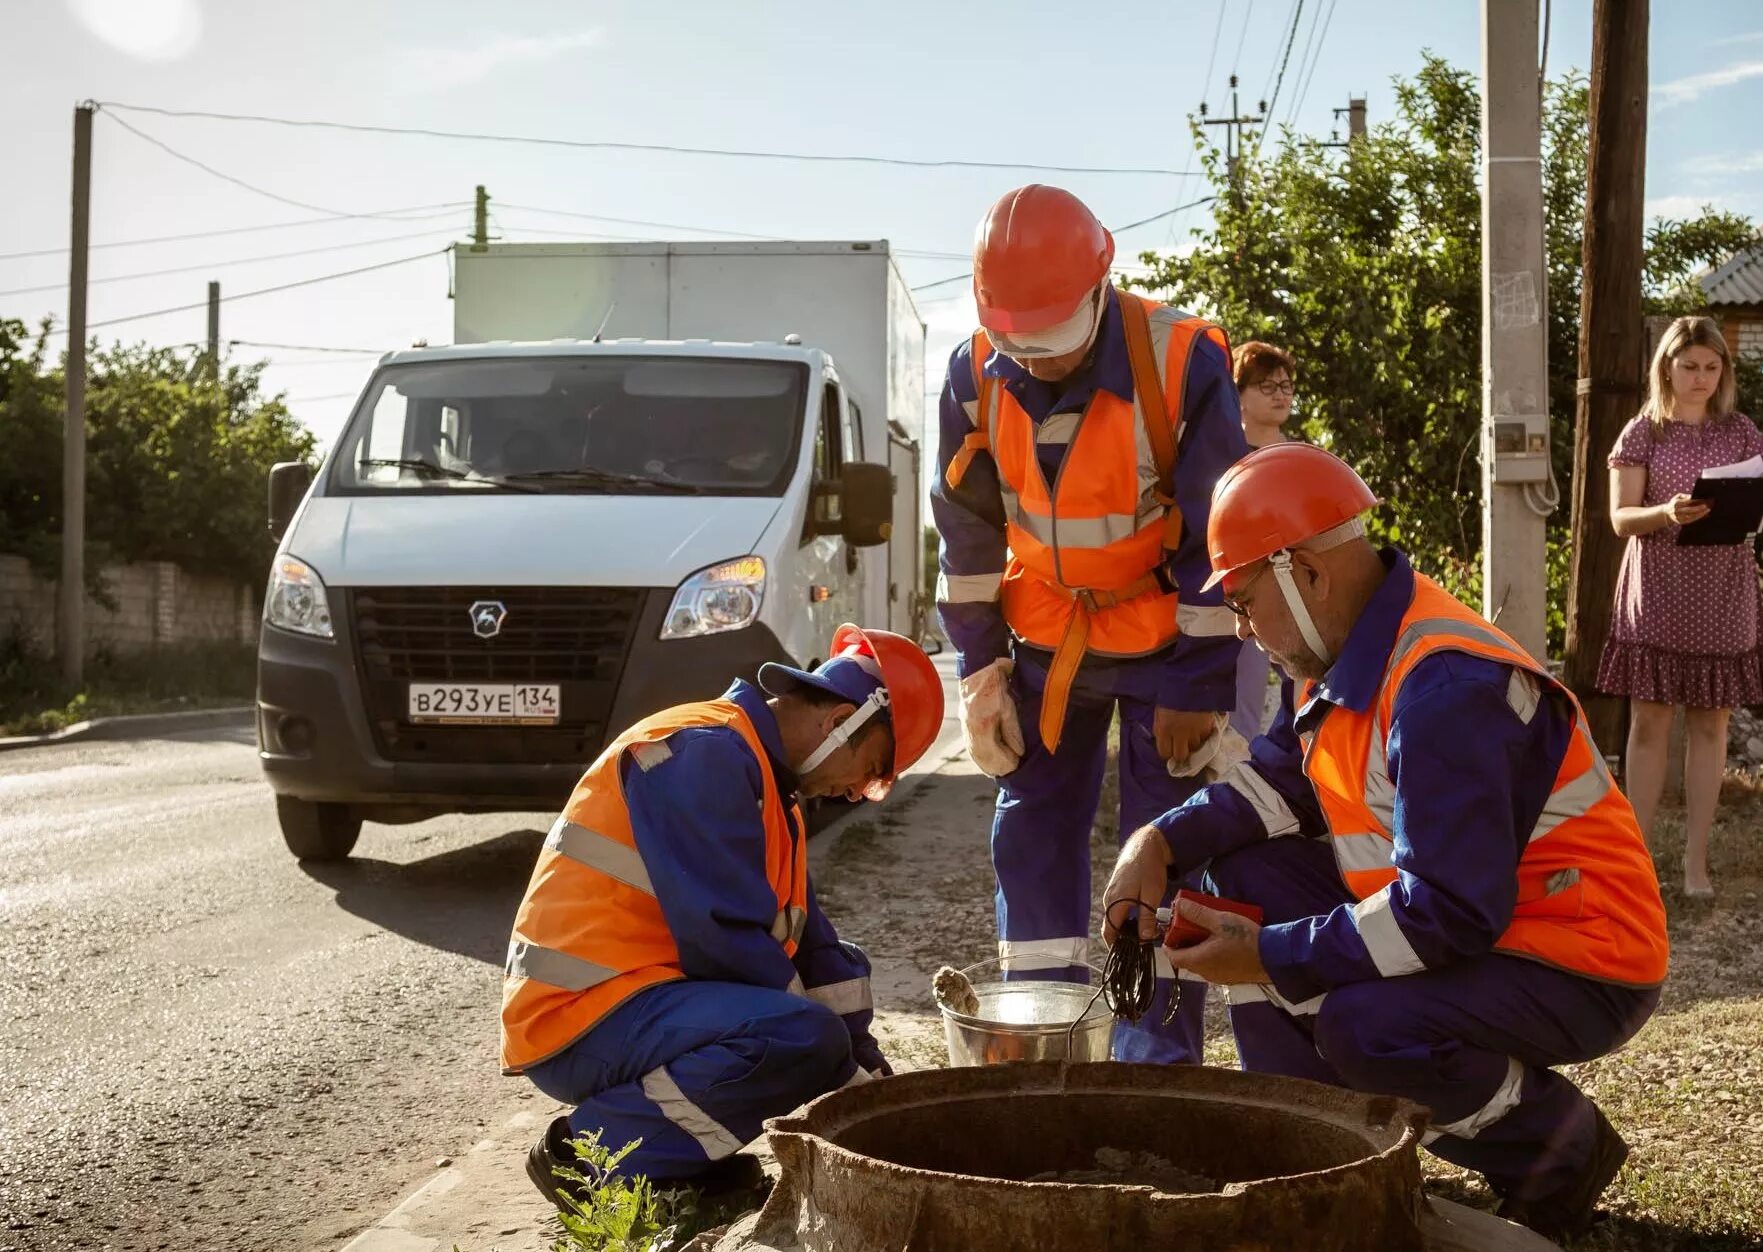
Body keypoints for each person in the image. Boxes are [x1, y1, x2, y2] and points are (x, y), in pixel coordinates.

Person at [1103, 443, 1668, 1242]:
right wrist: (1155, 843)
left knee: (1368, 1028)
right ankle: (1312, 1157)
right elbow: (1275, 787)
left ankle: (1558, 1152)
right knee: (1238, 873)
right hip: (1488, 923)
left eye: (1240, 598)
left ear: (1303, 573)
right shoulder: (1334, 651)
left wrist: (1266, 953)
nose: (1239, 626)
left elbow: (1444, 915)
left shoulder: (1444, 689)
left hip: (1581, 958)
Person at [931, 184, 1249, 1063]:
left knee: (1164, 847)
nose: (1029, 361)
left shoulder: (1181, 358)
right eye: (1013, 342)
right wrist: (981, 671)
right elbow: (965, 533)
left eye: (1046, 340)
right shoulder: (970, 375)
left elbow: (1216, 527)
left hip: (1161, 643)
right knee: (1031, 830)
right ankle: (1041, 1045)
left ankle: (1153, 1063)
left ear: (1100, 288)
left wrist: (1196, 685)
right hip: (1043, 645)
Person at [501, 624, 944, 1208]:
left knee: (816, 1023)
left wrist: (872, 1078)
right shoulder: (700, 751)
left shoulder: (765, 781)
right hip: (579, 1015)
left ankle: (665, 1162)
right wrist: (837, 1068)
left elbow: (813, 946)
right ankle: (584, 1154)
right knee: (797, 1036)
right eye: (873, 771)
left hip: (634, 1002)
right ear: (841, 724)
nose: (858, 792)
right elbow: (726, 941)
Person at [1598, 314, 1762, 899]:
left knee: (1710, 724)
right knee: (1649, 725)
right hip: (1660, 587)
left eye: (1712, 368)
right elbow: (1620, 518)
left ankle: (1696, 863)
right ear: (1666, 367)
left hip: (1723, 589)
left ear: (1724, 371)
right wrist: (1666, 512)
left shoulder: (1742, 432)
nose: (1701, 378)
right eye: (1690, 366)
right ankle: (1638, 864)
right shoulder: (1644, 430)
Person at [1229, 341, 1297, 740]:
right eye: (1266, 386)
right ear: (1238, 394)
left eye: (1286, 386)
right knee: (1239, 727)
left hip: (1296, 601)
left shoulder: (1302, 458)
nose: (1281, 395)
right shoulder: (1222, 454)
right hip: (1237, 604)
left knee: (1307, 702)